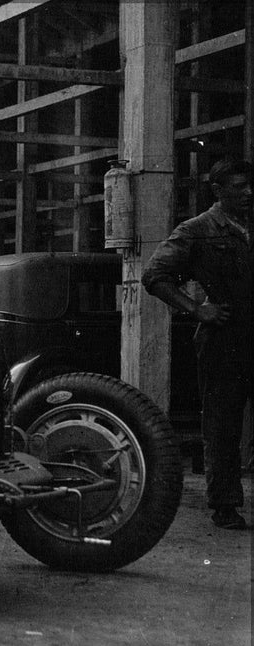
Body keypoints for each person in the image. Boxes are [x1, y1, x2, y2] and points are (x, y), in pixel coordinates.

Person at [142, 156, 252, 531]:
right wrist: (196, 309)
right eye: (239, 187)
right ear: (218, 191)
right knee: (222, 425)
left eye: (250, 186)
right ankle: (225, 505)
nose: (248, 193)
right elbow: (155, 275)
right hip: (225, 338)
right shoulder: (197, 230)